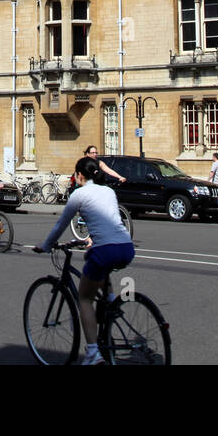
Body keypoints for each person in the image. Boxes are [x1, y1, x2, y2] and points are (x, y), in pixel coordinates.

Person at [33, 156, 136, 365]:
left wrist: (46, 246)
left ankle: (92, 354)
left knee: (85, 299)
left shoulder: (78, 195)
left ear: (80, 175)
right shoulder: (109, 191)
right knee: (94, 258)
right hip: (126, 247)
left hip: (105, 249)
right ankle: (110, 300)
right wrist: (90, 238)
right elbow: (107, 219)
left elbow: (60, 225)